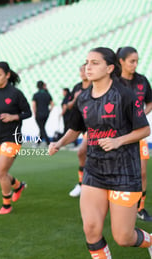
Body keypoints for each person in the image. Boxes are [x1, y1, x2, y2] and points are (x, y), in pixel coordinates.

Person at [49, 47, 152, 258]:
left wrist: (118, 141)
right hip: (94, 170)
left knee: (123, 237)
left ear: (110, 68)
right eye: (87, 62)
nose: (88, 67)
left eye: (95, 62)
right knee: (91, 230)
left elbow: (144, 129)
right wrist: (59, 143)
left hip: (124, 172)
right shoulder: (83, 98)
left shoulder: (125, 95)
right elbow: (75, 129)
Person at [0, 61, 31, 215]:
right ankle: (18, 185)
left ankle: (6, 204)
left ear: (7, 75)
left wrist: (13, 116)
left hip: (12, 137)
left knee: (1, 171)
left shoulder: (16, 94)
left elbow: (28, 112)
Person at [117, 46, 152, 221]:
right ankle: (120, 208)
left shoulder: (143, 81)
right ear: (121, 61)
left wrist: (139, 117)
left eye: (137, 61)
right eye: (132, 61)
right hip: (119, 136)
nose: (135, 64)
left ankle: (141, 207)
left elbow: (150, 103)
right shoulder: (113, 82)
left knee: (142, 172)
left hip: (139, 135)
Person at [67, 64, 91, 197]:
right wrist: (76, 98)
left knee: (82, 152)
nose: (83, 72)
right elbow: (69, 105)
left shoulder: (95, 86)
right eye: (81, 70)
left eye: (85, 69)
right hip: (79, 124)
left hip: (93, 126)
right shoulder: (77, 87)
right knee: (84, 154)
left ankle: (84, 184)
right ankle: (82, 183)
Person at [32, 80, 54, 146]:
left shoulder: (36, 95)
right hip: (46, 113)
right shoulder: (47, 94)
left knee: (42, 128)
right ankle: (38, 142)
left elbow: (34, 105)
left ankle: (48, 143)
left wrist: (35, 113)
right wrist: (49, 110)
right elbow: (52, 104)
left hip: (39, 113)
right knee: (42, 128)